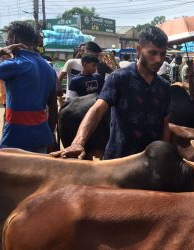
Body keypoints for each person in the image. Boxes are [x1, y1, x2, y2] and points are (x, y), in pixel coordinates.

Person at [52, 26, 171, 160]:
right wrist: (78, 142)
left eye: (163, 54)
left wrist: (164, 155)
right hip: (118, 162)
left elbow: (165, 124)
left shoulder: (164, 86)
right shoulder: (119, 78)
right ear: (139, 50)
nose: (159, 59)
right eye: (153, 53)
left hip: (150, 163)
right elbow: (97, 111)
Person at [0, 21, 57, 153]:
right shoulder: (49, 68)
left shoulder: (15, 64)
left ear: (14, 41)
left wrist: (0, 51)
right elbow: (53, 106)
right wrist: (51, 134)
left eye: (7, 43)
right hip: (42, 138)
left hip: (15, 140)